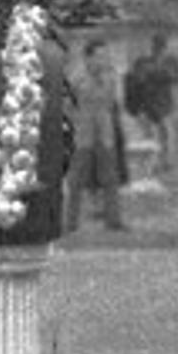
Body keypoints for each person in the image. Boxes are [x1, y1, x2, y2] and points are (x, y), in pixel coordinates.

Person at [65, 40, 126, 233]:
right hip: (83, 133)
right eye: (99, 56)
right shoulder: (77, 78)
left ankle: (113, 220)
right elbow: (67, 104)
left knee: (110, 177)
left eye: (105, 56)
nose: (103, 60)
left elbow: (113, 103)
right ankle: (70, 222)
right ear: (88, 57)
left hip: (104, 131)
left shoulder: (110, 78)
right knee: (76, 179)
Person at [125, 30, 178, 172]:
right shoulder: (143, 62)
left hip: (164, 103)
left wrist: (155, 74)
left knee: (167, 133)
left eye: (162, 45)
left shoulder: (171, 62)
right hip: (147, 103)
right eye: (157, 45)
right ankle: (153, 164)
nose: (159, 48)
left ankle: (167, 162)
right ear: (153, 46)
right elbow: (136, 80)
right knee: (151, 135)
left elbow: (175, 78)